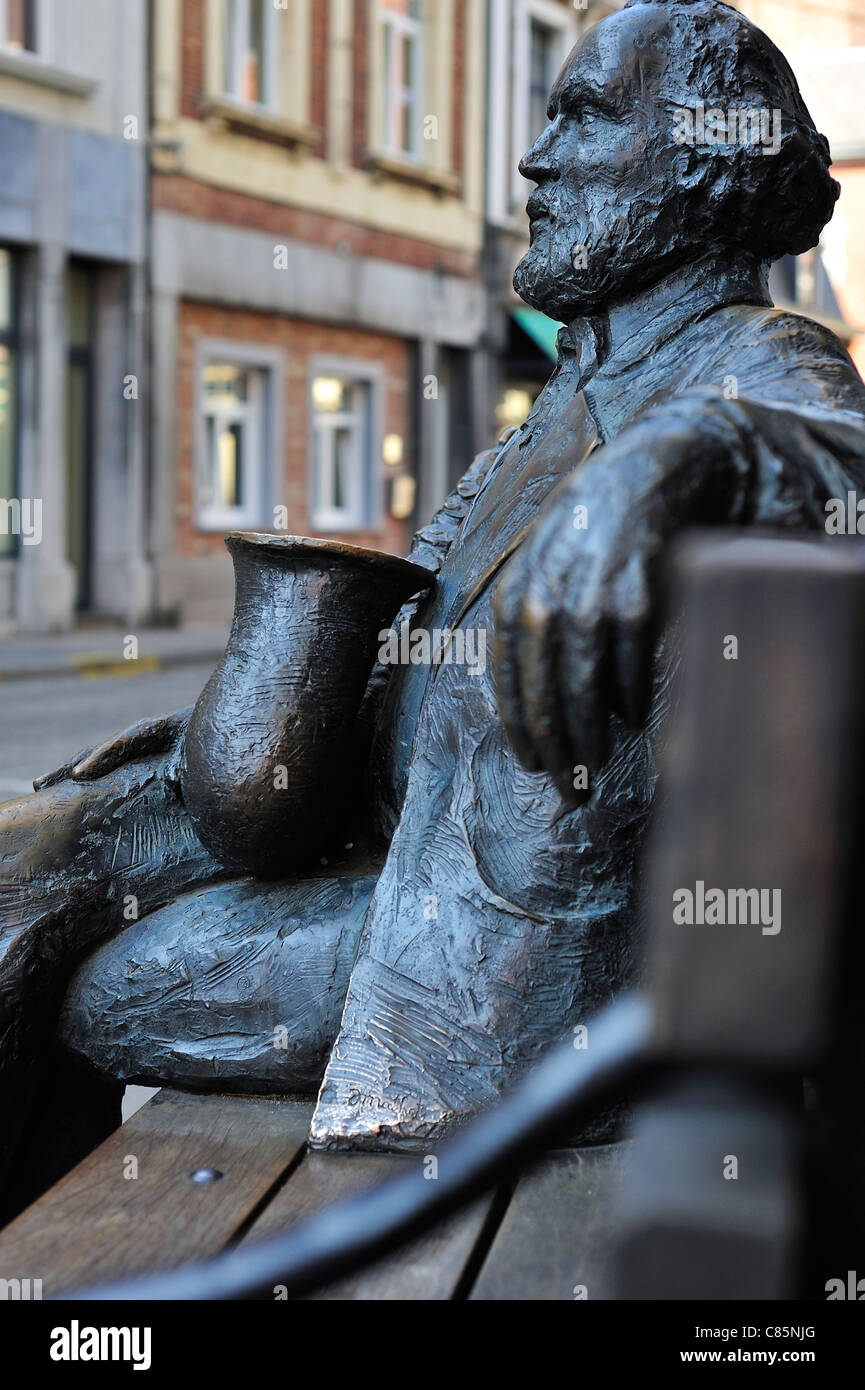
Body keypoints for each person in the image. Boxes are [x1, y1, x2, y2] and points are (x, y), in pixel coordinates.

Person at [3, 0, 865, 1212]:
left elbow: (846, 460)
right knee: (26, 865)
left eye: (583, 117)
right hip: (380, 831)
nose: (535, 157)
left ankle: (60, 1260)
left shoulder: (761, 363)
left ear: (703, 161)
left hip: (486, 942)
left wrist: (691, 458)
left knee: (93, 982)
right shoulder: (576, 388)